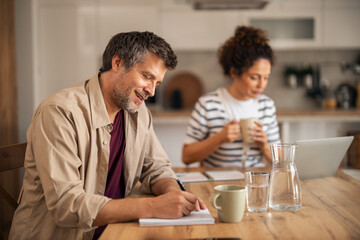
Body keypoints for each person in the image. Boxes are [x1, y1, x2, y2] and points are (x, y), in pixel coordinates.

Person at [10, 31, 206, 240]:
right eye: (147, 77)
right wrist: (152, 206)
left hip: (115, 232)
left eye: (156, 83)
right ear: (117, 63)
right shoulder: (59, 112)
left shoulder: (138, 113)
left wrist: (171, 194)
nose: (152, 92)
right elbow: (66, 204)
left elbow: (156, 168)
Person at [182, 26, 280, 168]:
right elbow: (186, 157)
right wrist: (219, 138)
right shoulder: (208, 104)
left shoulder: (267, 105)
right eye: (254, 77)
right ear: (234, 72)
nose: (261, 85)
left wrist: (264, 145)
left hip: (255, 183)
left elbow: (281, 161)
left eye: (266, 78)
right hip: (217, 184)